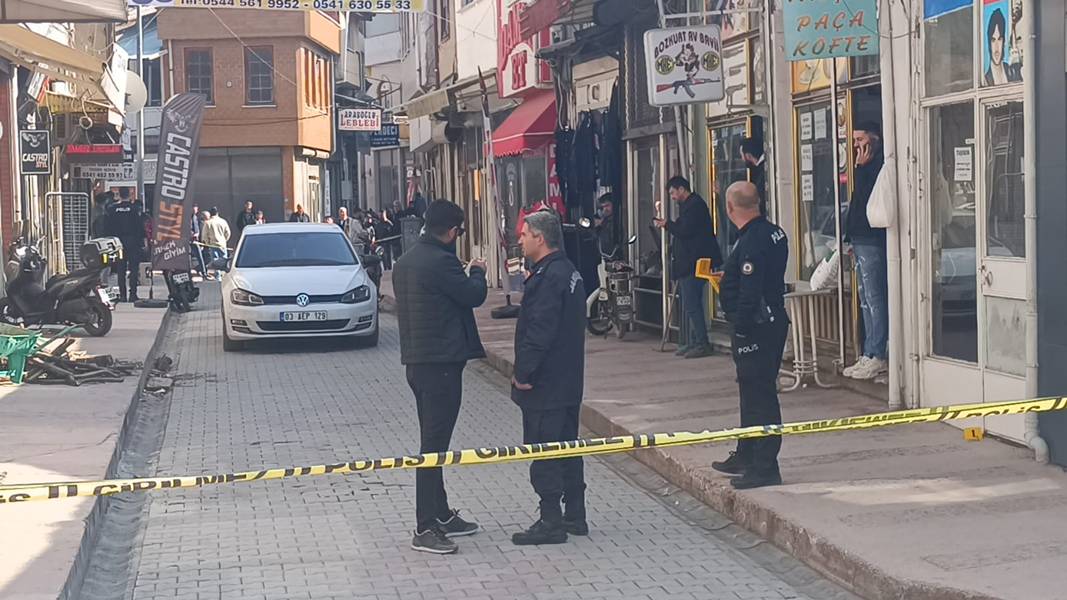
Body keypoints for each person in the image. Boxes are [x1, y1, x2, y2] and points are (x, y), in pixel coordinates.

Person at [393, 200, 488, 555]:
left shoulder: (406, 262)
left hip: (417, 364)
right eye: (459, 231)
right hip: (442, 365)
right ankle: (425, 526)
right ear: (450, 231)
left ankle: (442, 513)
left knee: (433, 442)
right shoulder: (441, 262)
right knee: (432, 448)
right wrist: (477, 272)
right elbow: (473, 295)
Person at [510, 211, 588, 546]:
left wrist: (523, 372)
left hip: (546, 383)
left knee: (544, 449)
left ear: (540, 238)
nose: (520, 239)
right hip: (568, 379)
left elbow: (539, 330)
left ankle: (551, 520)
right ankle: (575, 513)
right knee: (568, 446)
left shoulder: (548, 278)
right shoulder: (568, 271)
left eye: (525, 234)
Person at [711, 181, 789, 490]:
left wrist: (741, 326)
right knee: (750, 391)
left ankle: (765, 465)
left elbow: (751, 289)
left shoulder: (752, 241)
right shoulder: (772, 232)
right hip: (769, 319)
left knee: (760, 395)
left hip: (757, 325)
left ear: (730, 208)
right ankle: (746, 452)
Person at [654, 176, 723, 359]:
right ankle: (693, 341)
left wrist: (667, 224)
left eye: (673, 193)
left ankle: (702, 343)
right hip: (689, 263)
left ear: (681, 189)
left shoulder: (695, 206)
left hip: (694, 263)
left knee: (693, 304)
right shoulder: (689, 206)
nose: (672, 197)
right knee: (689, 305)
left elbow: (685, 231)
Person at [843, 122, 889, 381]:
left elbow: (866, 199)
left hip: (872, 238)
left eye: (860, 139)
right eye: (854, 141)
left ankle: (877, 353)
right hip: (860, 238)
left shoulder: (877, 166)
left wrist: (861, 168)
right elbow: (855, 203)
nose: (856, 146)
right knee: (865, 299)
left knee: (874, 297)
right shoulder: (863, 167)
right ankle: (869, 351)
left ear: (874, 140)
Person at [105, 188, 146, 302]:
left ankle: (122, 295)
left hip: (118, 242)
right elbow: (139, 226)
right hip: (133, 242)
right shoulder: (134, 209)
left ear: (119, 195)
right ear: (130, 195)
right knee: (134, 269)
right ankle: (133, 294)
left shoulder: (112, 209)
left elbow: (108, 227)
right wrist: (143, 242)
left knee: (121, 269)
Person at [984, 8, 1021, 86]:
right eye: (993, 40)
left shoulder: (1013, 72)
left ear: (1004, 42)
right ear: (989, 43)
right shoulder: (985, 80)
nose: (996, 48)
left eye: (999, 39)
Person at [201, 208, 231, 280]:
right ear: (217, 213)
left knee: (215, 261)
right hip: (222, 244)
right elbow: (228, 233)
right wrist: (225, 240)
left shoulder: (208, 222)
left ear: (210, 214)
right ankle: (225, 276)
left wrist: (207, 243)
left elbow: (204, 235)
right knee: (224, 260)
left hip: (212, 244)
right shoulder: (223, 221)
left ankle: (218, 277)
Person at [740, 136, 767, 216]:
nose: (742, 159)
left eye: (742, 156)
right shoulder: (764, 167)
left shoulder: (761, 173)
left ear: (748, 156)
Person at [593, 194, 618, 259]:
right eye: (603, 207)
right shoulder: (603, 221)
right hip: (605, 257)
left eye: (607, 206)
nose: (605, 209)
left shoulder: (617, 220)